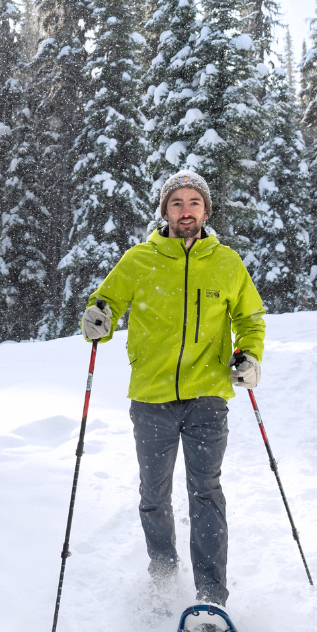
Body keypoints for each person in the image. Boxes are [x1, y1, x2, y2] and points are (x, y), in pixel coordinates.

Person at [79, 169, 266, 608]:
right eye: (177, 203)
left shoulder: (227, 263)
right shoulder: (138, 261)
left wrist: (250, 356)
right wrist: (97, 322)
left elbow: (249, 318)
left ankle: (211, 595)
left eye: (194, 203)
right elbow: (104, 307)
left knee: (206, 492)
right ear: (164, 211)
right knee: (154, 494)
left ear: (206, 210)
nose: (186, 211)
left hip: (207, 395)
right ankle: (162, 574)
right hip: (151, 398)